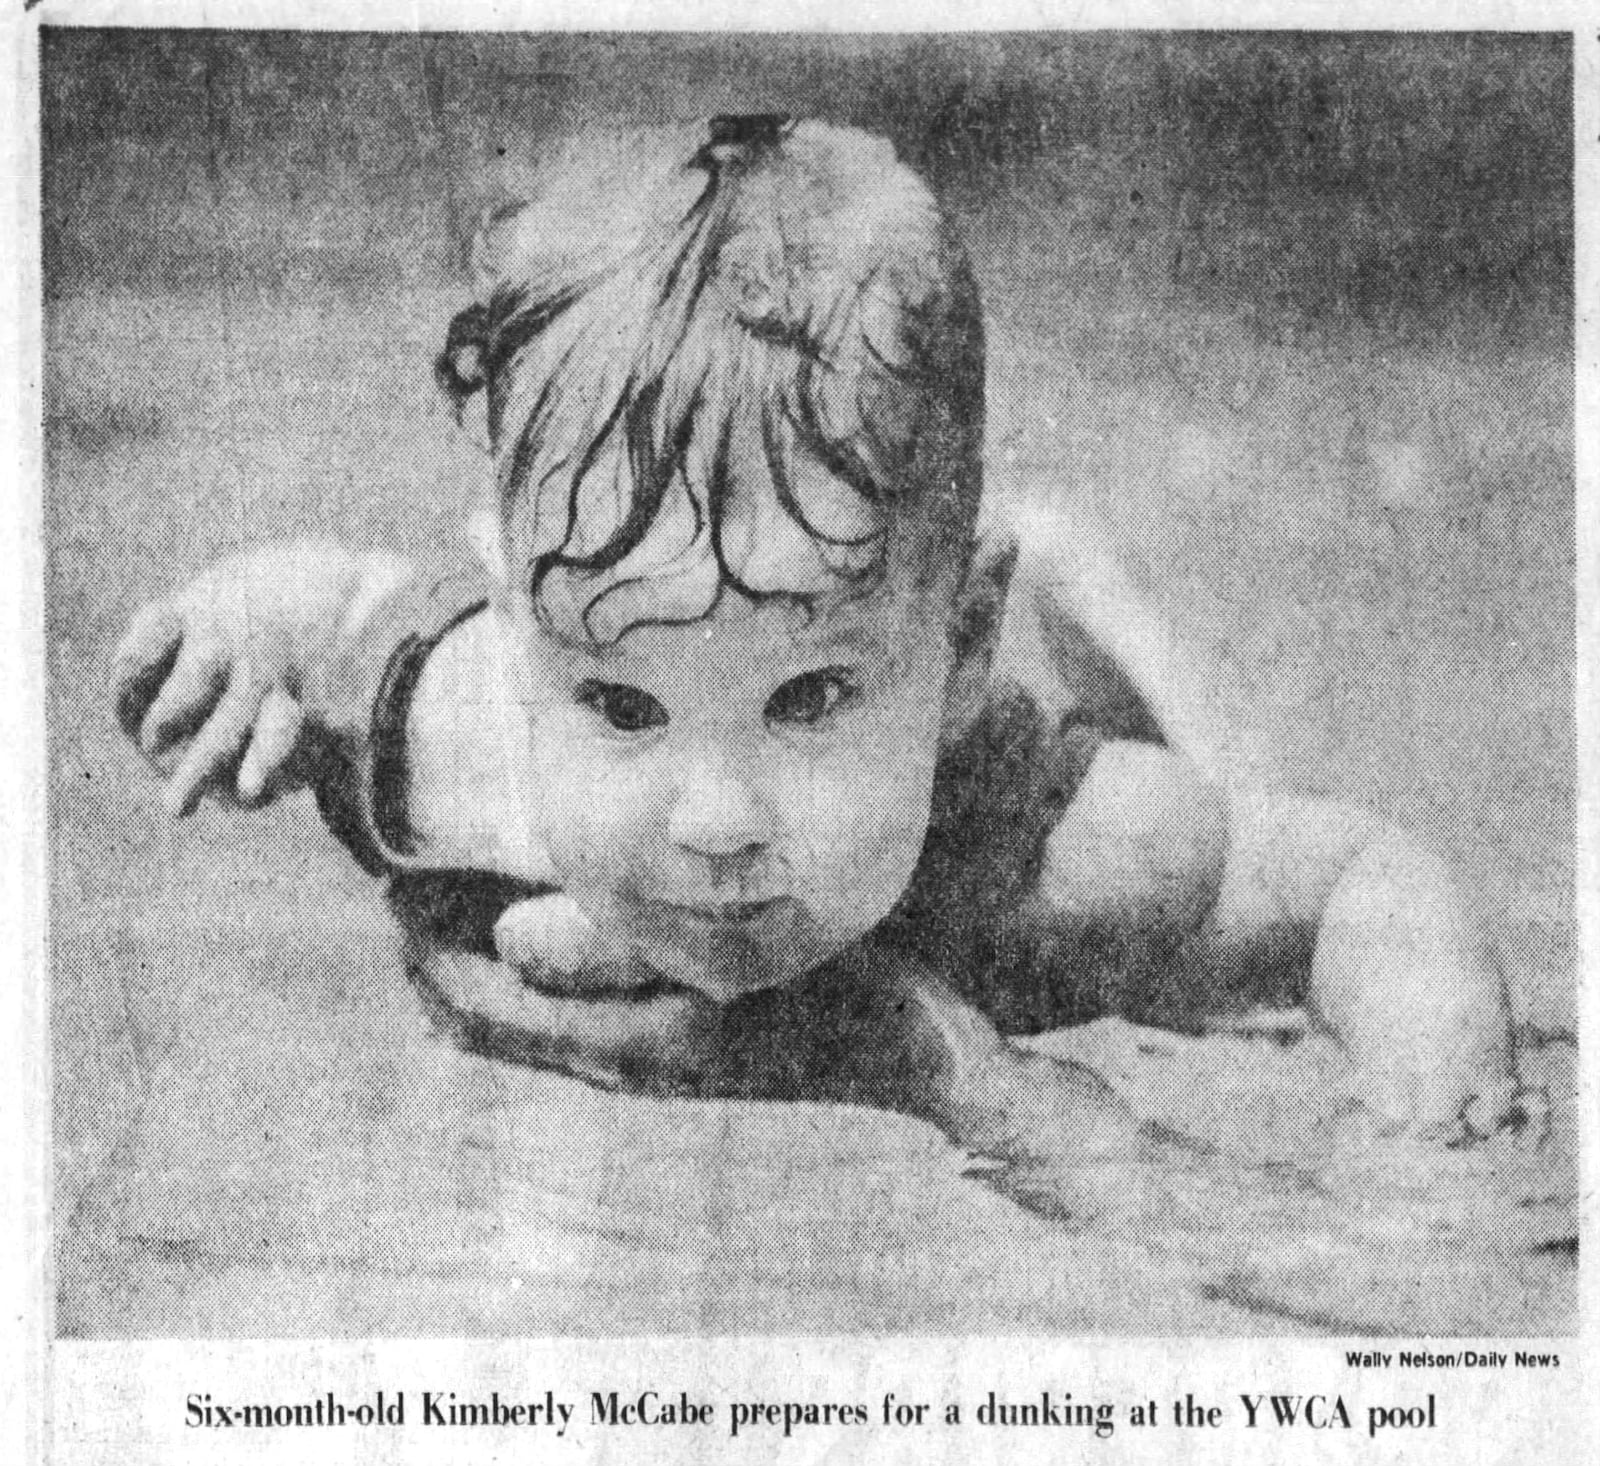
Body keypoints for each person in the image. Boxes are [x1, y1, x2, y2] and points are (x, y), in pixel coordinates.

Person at [111, 117, 1536, 1179]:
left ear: (959, 647)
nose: (716, 817)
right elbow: (341, 608)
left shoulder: (1041, 859)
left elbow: (1357, 876)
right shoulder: (467, 726)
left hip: (1000, 756)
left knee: (1216, 778)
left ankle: (1091, 613)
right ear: (520, 626)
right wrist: (231, 641)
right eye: (620, 701)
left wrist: (1435, 1096)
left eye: (808, 694)